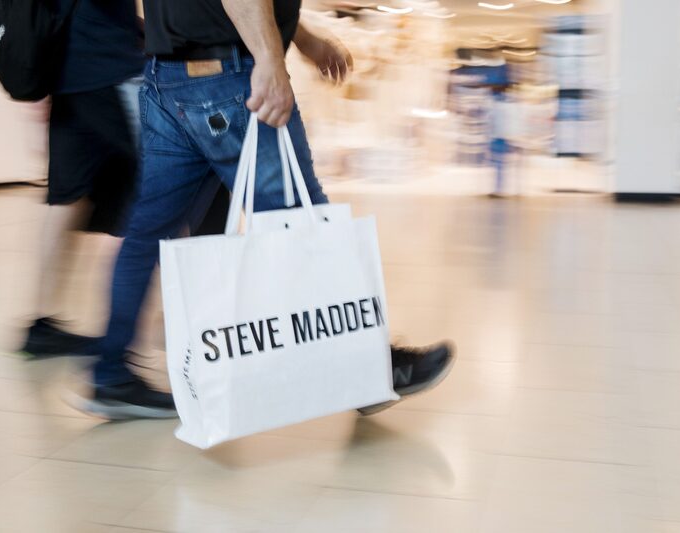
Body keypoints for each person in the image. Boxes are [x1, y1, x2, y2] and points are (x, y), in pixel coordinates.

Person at [67, 0, 456, 419]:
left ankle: (109, 375)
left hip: (168, 79)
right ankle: (367, 370)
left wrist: (303, 40)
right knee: (304, 225)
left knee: (146, 233)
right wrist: (271, 60)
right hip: (229, 81)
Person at [19, 0, 145, 357]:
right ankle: (122, 353)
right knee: (165, 181)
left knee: (68, 197)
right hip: (107, 64)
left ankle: (41, 325)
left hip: (68, 68)